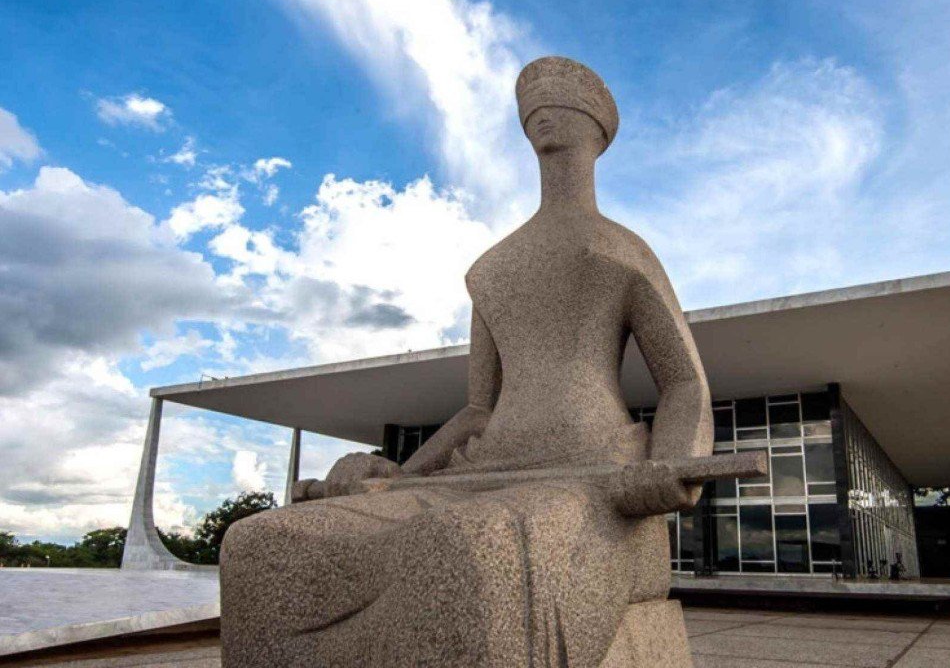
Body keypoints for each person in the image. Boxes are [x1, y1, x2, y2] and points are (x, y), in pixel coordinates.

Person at [221, 56, 714, 667]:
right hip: (480, 473)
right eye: (531, 107)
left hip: (593, 478)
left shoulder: (622, 251)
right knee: (263, 543)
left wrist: (669, 467)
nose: (542, 114)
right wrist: (401, 474)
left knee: (464, 547)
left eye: (560, 102)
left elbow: (685, 382)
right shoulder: (492, 269)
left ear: (598, 129)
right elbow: (479, 410)